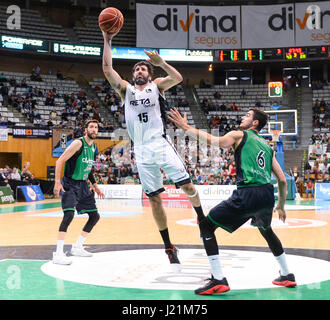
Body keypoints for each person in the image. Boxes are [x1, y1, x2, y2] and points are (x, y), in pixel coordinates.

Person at [101, 30, 206, 264]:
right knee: (155, 199)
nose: (139, 71)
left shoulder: (157, 86)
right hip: (140, 149)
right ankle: (168, 246)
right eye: (136, 69)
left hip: (160, 142)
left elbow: (177, 78)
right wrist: (107, 39)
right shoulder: (125, 90)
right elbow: (108, 70)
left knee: (188, 186)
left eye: (143, 69)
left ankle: (201, 217)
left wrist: (162, 63)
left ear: (149, 74)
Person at [169, 107, 296, 295]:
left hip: (248, 193)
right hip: (267, 195)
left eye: (247, 115)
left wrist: (185, 126)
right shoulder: (268, 147)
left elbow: (216, 142)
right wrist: (282, 206)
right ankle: (287, 274)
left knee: (206, 226)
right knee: (266, 231)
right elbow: (282, 180)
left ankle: (218, 279)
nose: (243, 117)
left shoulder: (239, 135)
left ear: (254, 123)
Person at [53, 119, 105, 265]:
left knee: (94, 216)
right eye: (91, 127)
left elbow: (88, 169)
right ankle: (58, 254)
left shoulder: (94, 147)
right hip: (69, 184)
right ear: (85, 130)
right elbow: (59, 161)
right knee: (69, 215)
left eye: (96, 127)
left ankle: (77, 247)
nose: (94, 129)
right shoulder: (78, 143)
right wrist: (57, 182)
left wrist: (95, 185)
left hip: (83, 186)